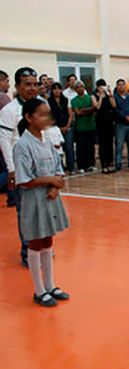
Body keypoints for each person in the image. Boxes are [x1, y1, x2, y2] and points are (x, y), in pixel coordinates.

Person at [14, 98, 70, 307]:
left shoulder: (46, 141)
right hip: (35, 199)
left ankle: (50, 285)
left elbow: (57, 167)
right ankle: (38, 290)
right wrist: (50, 181)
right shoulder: (22, 145)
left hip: (50, 197)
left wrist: (56, 186)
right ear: (29, 117)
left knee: (48, 240)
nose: (47, 118)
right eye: (42, 114)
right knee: (36, 242)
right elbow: (24, 179)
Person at [0, 67, 40, 266]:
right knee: (25, 212)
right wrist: (11, 168)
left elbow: (49, 134)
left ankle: (42, 248)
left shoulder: (43, 106)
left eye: (35, 84)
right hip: (21, 169)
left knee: (42, 210)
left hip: (42, 170)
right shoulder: (9, 110)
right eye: (28, 84)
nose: (32, 88)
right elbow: (5, 140)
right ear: (17, 86)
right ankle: (27, 252)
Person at [70, 81, 97, 172]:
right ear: (75, 89)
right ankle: (81, 166)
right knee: (80, 147)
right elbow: (77, 112)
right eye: (77, 87)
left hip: (90, 126)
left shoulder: (89, 98)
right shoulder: (74, 100)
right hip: (80, 127)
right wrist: (88, 110)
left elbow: (94, 108)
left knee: (90, 147)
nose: (80, 88)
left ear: (84, 87)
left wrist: (83, 110)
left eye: (81, 86)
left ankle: (91, 165)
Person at [114, 79, 129, 170]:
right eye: (119, 85)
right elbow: (116, 110)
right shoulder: (115, 97)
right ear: (117, 87)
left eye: (123, 85)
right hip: (121, 124)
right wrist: (125, 117)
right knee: (119, 145)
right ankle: (118, 163)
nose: (121, 86)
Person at [93, 80, 116, 173]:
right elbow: (97, 106)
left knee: (109, 143)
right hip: (100, 123)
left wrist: (110, 94)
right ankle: (103, 165)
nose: (102, 88)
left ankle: (110, 163)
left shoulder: (108, 96)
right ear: (98, 87)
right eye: (101, 86)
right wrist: (101, 96)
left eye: (104, 86)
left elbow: (114, 105)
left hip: (109, 122)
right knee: (102, 144)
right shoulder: (94, 96)